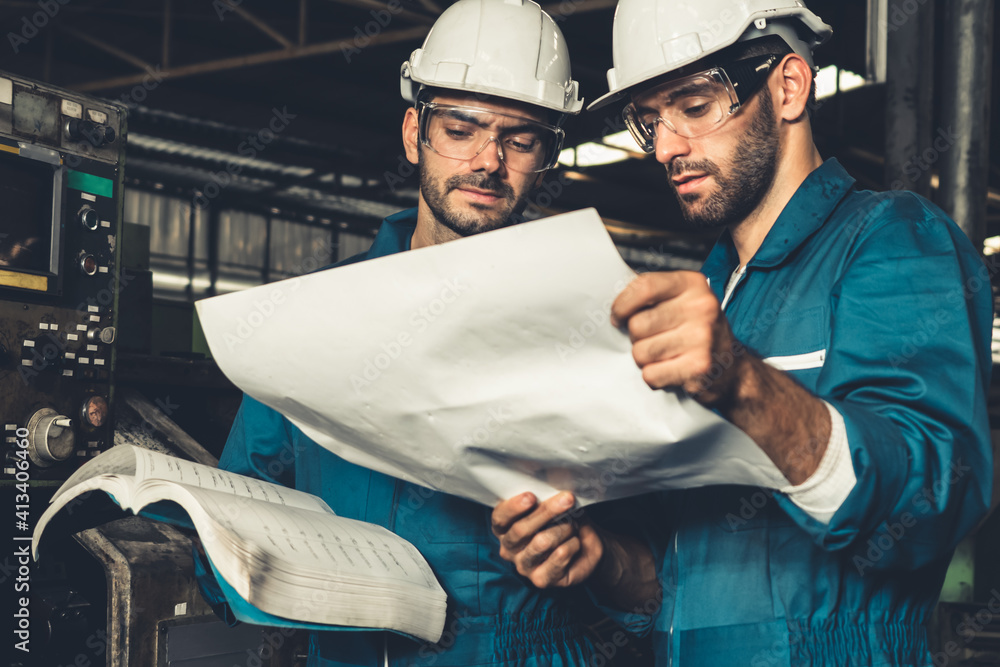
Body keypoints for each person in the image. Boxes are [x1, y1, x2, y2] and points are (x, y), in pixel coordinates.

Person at [491, 1, 995, 664]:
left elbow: (934, 499)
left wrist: (747, 385)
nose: (667, 147)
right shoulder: (714, 293)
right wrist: (602, 557)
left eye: (694, 107)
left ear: (787, 87)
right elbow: (671, 588)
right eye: (650, 122)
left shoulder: (892, 241)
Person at [195, 1, 631, 665]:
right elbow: (236, 516)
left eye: (520, 139)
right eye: (461, 128)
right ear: (413, 133)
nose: (488, 161)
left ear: (548, 157)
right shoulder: (315, 318)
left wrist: (595, 554)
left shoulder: (588, 333)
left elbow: (646, 575)